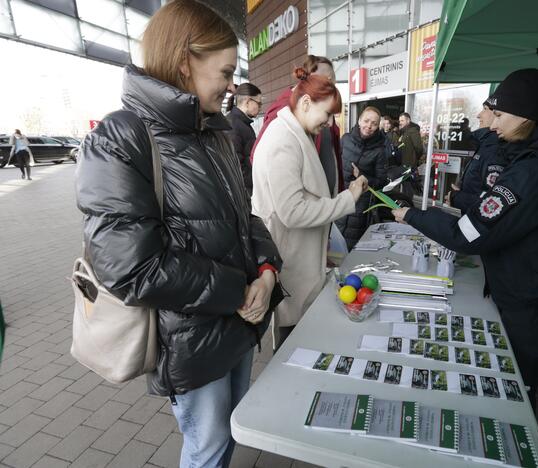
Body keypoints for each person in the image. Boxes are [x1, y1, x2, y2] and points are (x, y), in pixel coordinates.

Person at [74, 2, 282, 466]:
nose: (233, 86)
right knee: (207, 449)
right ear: (186, 60)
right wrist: (238, 290)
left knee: (225, 440)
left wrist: (267, 272)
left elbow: (244, 219)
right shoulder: (121, 137)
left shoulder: (215, 131)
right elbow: (130, 268)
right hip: (191, 335)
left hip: (240, 319)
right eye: (225, 72)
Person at [392, 68, 538, 405]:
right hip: (536, 291)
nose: (492, 123)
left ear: (526, 114)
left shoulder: (536, 171)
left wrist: (412, 215)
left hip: (529, 304)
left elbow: (467, 233)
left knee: (516, 390)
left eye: (499, 114)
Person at [252, 67, 368, 350]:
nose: (329, 123)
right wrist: (347, 199)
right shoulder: (283, 139)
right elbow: (292, 211)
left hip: (301, 260)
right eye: (327, 114)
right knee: (293, 345)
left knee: (299, 340)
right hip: (291, 263)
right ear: (305, 103)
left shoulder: (297, 133)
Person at [251, 55, 344, 193]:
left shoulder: (321, 108)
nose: (330, 122)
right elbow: (259, 158)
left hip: (324, 203)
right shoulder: (283, 113)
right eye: (330, 82)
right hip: (308, 205)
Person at [335, 106, 388, 249]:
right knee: (334, 244)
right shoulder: (345, 139)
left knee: (352, 247)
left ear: (378, 127)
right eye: (366, 121)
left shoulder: (380, 150)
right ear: (359, 121)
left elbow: (382, 181)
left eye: (374, 124)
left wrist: (362, 177)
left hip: (360, 205)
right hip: (339, 198)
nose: (369, 126)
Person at [449, 105, 501, 213]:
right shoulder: (484, 144)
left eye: (485, 109)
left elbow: (494, 204)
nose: (478, 115)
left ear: (498, 114)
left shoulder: (496, 149)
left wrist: (456, 198)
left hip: (478, 225)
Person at [225, 82, 262, 195]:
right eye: (259, 103)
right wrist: (257, 183)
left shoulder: (242, 123)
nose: (260, 107)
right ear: (248, 101)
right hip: (245, 193)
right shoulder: (233, 125)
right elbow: (236, 166)